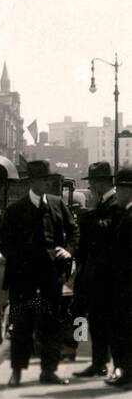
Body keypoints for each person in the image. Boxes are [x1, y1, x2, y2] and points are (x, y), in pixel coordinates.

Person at [0, 159, 78, 386]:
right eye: (41, 180)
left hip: (51, 278)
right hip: (24, 279)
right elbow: (3, 242)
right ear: (31, 182)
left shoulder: (57, 205)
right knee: (22, 325)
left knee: (51, 324)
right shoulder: (15, 211)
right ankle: (17, 372)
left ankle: (48, 371)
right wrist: (25, 260)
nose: (45, 184)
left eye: (48, 180)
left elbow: (74, 231)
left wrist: (67, 250)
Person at [72, 162, 120, 378]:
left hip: (109, 277)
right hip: (98, 275)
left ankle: (113, 365)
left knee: (110, 323)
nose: (90, 186)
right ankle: (99, 363)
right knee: (98, 321)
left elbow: (104, 233)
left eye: (92, 182)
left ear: (102, 182)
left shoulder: (115, 204)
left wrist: (88, 219)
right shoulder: (103, 203)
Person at [105, 166, 132, 389]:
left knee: (125, 330)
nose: (118, 194)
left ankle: (128, 374)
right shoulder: (127, 215)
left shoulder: (130, 218)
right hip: (123, 285)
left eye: (120, 189)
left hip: (127, 287)